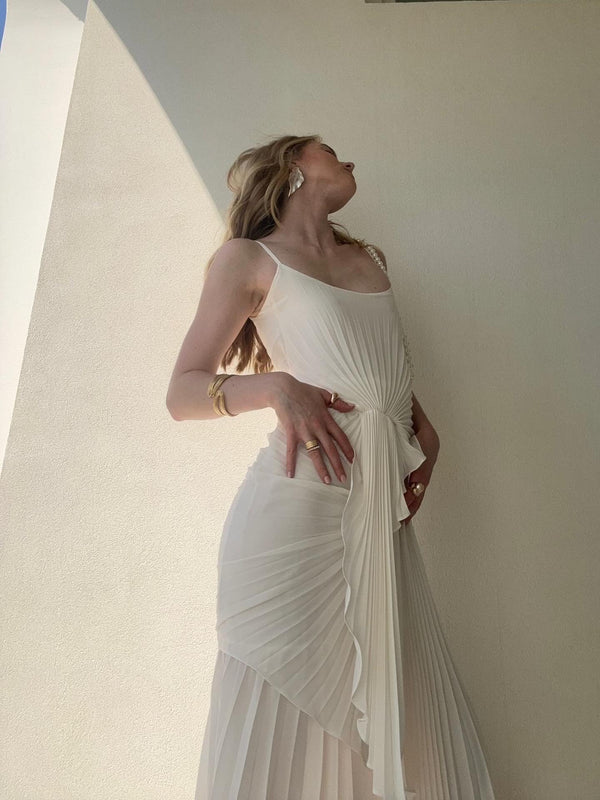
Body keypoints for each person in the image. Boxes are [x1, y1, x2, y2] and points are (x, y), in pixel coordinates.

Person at [166, 134, 496, 799]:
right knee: (277, 703)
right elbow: (182, 392)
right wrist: (274, 387)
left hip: (374, 512)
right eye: (331, 150)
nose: (351, 160)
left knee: (383, 708)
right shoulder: (248, 260)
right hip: (292, 515)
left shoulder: (366, 261)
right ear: (294, 167)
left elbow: (368, 366)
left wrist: (418, 426)